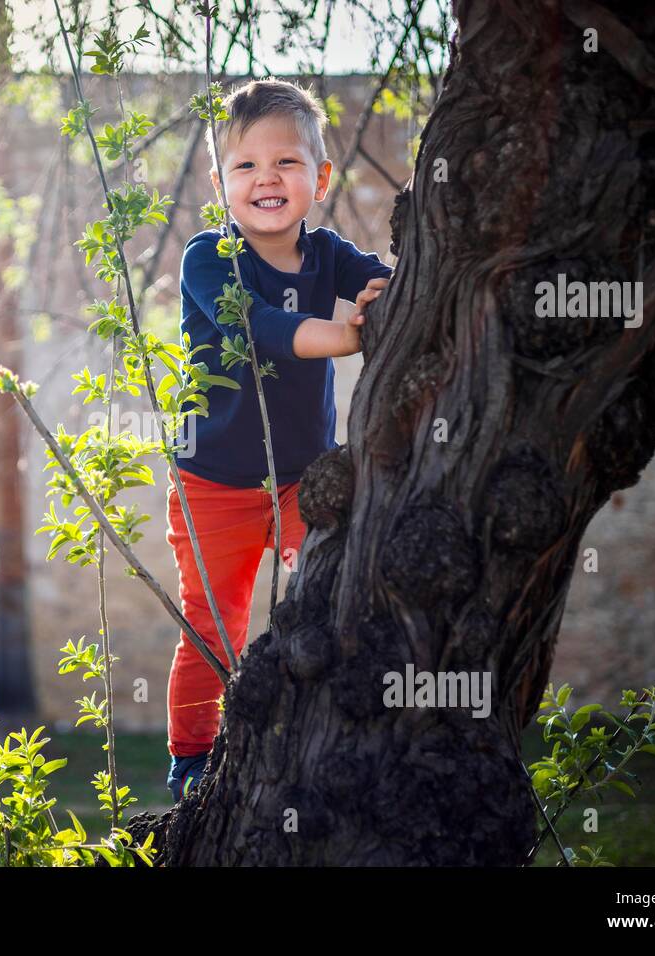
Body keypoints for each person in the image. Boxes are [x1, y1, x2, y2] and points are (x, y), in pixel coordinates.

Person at [165, 78, 393, 802]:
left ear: (320, 178)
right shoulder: (209, 259)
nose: (267, 179)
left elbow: (385, 283)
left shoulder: (328, 252)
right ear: (219, 184)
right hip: (214, 486)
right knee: (215, 623)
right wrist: (347, 335)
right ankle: (194, 760)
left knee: (325, 598)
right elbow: (257, 326)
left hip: (300, 481)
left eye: (287, 163)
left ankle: (328, 741)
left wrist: (385, 295)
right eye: (246, 166)